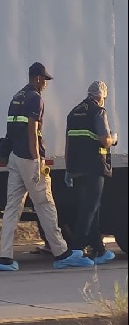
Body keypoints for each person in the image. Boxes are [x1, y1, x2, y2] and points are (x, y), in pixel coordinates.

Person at [0, 62, 94, 271]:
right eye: (45, 81)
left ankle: (5, 258)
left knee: (12, 208)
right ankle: (61, 253)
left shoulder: (17, 97)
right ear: (38, 79)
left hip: (14, 157)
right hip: (28, 159)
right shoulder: (35, 99)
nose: (46, 85)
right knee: (45, 204)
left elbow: (12, 129)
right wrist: (37, 161)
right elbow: (32, 130)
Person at [65, 81, 118, 265]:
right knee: (89, 209)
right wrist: (114, 139)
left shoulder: (73, 112)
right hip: (95, 166)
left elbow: (68, 142)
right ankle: (76, 250)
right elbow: (104, 140)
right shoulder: (98, 112)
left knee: (92, 208)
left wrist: (68, 168)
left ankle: (99, 250)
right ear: (100, 96)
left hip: (77, 167)